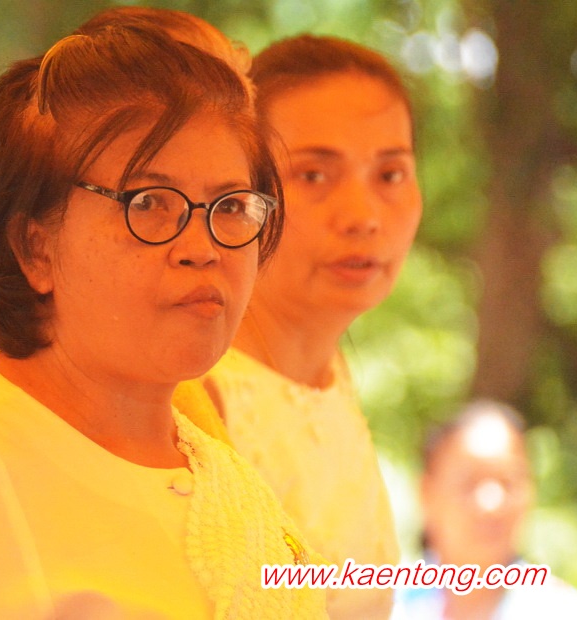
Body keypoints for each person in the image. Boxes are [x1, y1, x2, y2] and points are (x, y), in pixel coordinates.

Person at [0, 15, 326, 618]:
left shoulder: (218, 469)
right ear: (34, 247)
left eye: (232, 205)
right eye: (149, 202)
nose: (203, 246)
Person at [200, 34, 423, 619]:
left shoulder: (332, 377)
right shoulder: (195, 398)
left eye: (391, 175)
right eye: (315, 175)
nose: (363, 217)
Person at [392, 399, 577, 618]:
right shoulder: (383, 607)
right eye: (469, 483)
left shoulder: (566, 612)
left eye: (509, 482)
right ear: (426, 493)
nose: (492, 504)